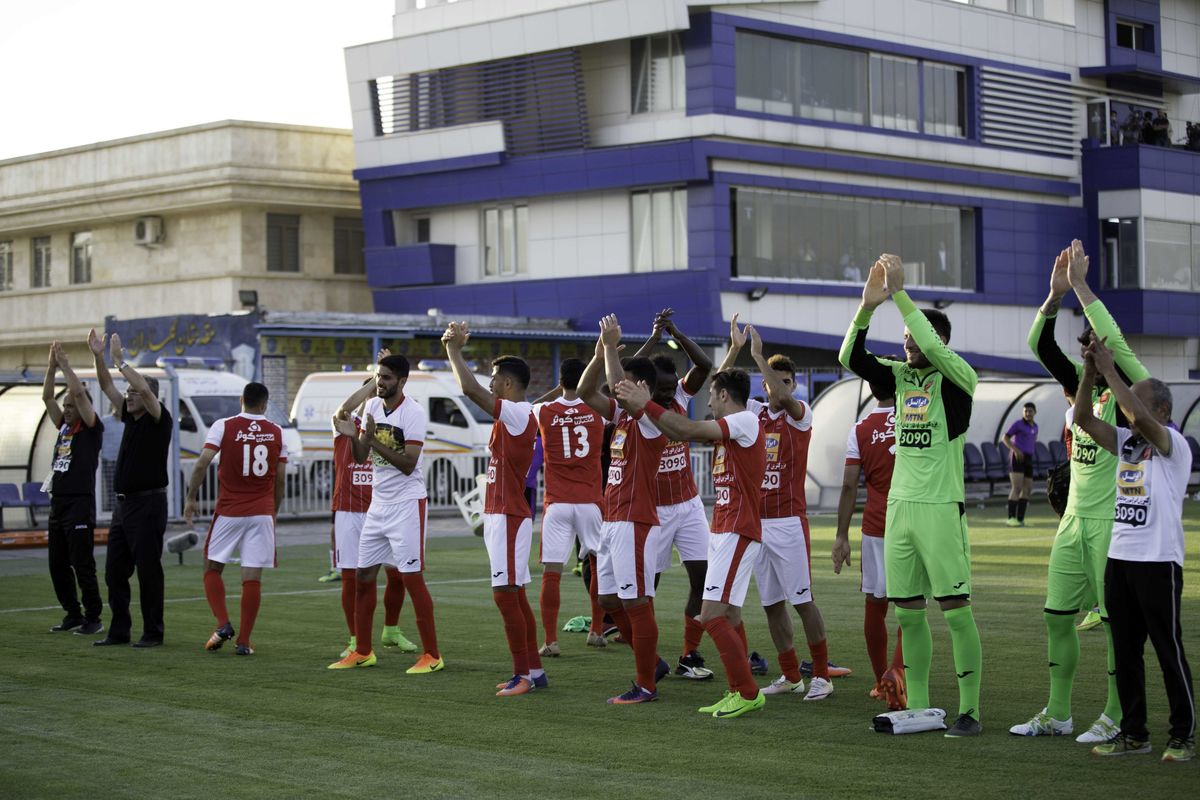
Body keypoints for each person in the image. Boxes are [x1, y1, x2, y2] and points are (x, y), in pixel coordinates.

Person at [839, 254, 983, 737]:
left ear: (936, 341)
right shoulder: (899, 378)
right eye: (903, 340)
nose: (907, 346)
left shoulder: (959, 377)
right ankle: (918, 706)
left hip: (941, 510)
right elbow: (849, 358)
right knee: (908, 612)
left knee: (956, 612)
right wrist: (866, 307)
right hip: (898, 511)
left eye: (914, 338)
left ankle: (969, 711)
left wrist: (900, 296)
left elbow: (932, 348)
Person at [1012, 241, 1148, 742]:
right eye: (1085, 342)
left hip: (1113, 522)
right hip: (1072, 521)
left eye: (1097, 342)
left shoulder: (1131, 390)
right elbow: (1037, 344)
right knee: (1056, 617)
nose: (1089, 348)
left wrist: (1083, 287)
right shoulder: (1080, 385)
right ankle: (1059, 713)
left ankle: (1115, 714)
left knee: (1116, 626)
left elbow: (1113, 338)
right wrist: (1053, 296)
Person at [615, 366, 768, 718]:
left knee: (710, 614)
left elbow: (685, 429)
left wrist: (645, 405)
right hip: (726, 528)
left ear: (724, 395)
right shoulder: (735, 426)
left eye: (712, 396)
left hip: (738, 529)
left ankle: (746, 692)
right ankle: (738, 689)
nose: (709, 402)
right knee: (728, 614)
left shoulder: (745, 420)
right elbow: (678, 429)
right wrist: (645, 409)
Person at [1073, 335, 1195, 761]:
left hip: (1158, 562)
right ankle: (1135, 733)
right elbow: (1084, 418)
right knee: (1125, 652)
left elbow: (1138, 419)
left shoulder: (1173, 445)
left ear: (1160, 410)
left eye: (1136, 402)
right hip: (1121, 559)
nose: (1126, 411)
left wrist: (1109, 366)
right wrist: (1090, 371)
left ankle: (1183, 734)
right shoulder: (1128, 443)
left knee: (1168, 650)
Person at [722, 320, 840, 701]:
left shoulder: (799, 414)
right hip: (758, 523)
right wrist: (736, 349)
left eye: (785, 382)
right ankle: (791, 675)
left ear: (794, 386)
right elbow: (721, 389)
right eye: (773, 381)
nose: (777, 387)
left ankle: (821, 674)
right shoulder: (753, 412)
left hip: (789, 522)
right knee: (772, 605)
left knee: (803, 601)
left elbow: (784, 397)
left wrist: (758, 355)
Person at [442, 323, 544, 696]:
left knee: (504, 594)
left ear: (508, 384)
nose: (489, 383)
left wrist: (453, 350)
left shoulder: (518, 413)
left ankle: (523, 675)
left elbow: (468, 388)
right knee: (514, 595)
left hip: (509, 514)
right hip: (500, 512)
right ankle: (533, 669)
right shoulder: (515, 414)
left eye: (495, 377)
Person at [574, 317, 671, 704]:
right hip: (613, 522)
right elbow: (585, 390)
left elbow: (618, 391)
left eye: (628, 382)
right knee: (609, 602)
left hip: (635, 521)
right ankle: (653, 664)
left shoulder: (650, 420)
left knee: (635, 601)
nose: (620, 388)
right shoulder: (624, 419)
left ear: (643, 387)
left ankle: (645, 683)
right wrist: (601, 352)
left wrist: (614, 347)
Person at [328, 354, 441, 673]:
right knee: (364, 576)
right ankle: (363, 650)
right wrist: (355, 436)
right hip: (378, 505)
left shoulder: (414, 412)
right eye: (379, 376)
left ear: (402, 381)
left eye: (387, 377)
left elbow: (408, 465)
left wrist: (372, 438)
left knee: (411, 578)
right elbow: (361, 455)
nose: (380, 382)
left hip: (407, 505)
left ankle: (432, 655)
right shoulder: (372, 406)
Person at [631, 308, 715, 681]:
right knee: (647, 590)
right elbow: (624, 368)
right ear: (647, 387)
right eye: (660, 389)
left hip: (688, 504)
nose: (667, 394)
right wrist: (650, 339)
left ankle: (689, 654)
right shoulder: (635, 406)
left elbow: (704, 364)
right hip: (654, 512)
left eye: (670, 388)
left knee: (703, 578)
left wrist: (676, 333)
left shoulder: (679, 394)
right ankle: (650, 658)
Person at [185, 382, 286, 656]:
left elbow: (202, 462)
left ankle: (222, 624)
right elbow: (281, 479)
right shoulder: (277, 432)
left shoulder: (224, 425)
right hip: (262, 512)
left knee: (211, 568)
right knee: (251, 576)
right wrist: (272, 511)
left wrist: (191, 498)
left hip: (230, 510)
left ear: (242, 400)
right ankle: (243, 641)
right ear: (265, 404)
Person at [88, 330, 172, 648]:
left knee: (148, 570)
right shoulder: (131, 419)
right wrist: (99, 357)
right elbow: (108, 386)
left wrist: (121, 362)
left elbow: (143, 393)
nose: (129, 395)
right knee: (114, 572)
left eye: (134, 392)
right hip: (124, 508)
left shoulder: (159, 420)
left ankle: (153, 632)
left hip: (148, 505)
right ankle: (119, 630)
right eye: (129, 393)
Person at [833, 378, 906, 710]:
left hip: (876, 525)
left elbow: (849, 487)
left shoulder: (860, 429)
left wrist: (840, 536)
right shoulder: (920, 418)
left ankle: (881, 681)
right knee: (911, 606)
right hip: (914, 520)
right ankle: (898, 675)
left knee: (875, 606)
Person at [533, 358, 606, 658]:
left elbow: (530, 407)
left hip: (557, 502)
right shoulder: (599, 411)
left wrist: (558, 390)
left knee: (552, 571)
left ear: (560, 380)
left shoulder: (544, 410)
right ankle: (597, 631)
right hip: (591, 501)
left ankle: (550, 641)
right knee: (598, 566)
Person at [42, 342, 104, 637]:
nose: (66, 410)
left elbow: (79, 393)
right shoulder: (64, 428)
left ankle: (93, 617)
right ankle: (72, 613)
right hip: (59, 503)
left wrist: (66, 365)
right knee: (57, 563)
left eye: (70, 406)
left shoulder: (91, 427)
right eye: (65, 406)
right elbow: (46, 398)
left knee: (82, 563)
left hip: (80, 503)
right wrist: (51, 367)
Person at [1003, 403, 1038, 527]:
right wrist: (1016, 450)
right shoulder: (1018, 424)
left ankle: (1020, 519)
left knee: (1027, 489)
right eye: (1026, 411)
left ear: (1035, 412)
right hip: (1017, 457)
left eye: (1030, 411)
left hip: (1028, 459)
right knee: (1016, 488)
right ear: (1023, 412)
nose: (1028, 413)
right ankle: (1011, 518)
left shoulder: (1035, 427)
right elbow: (1005, 438)